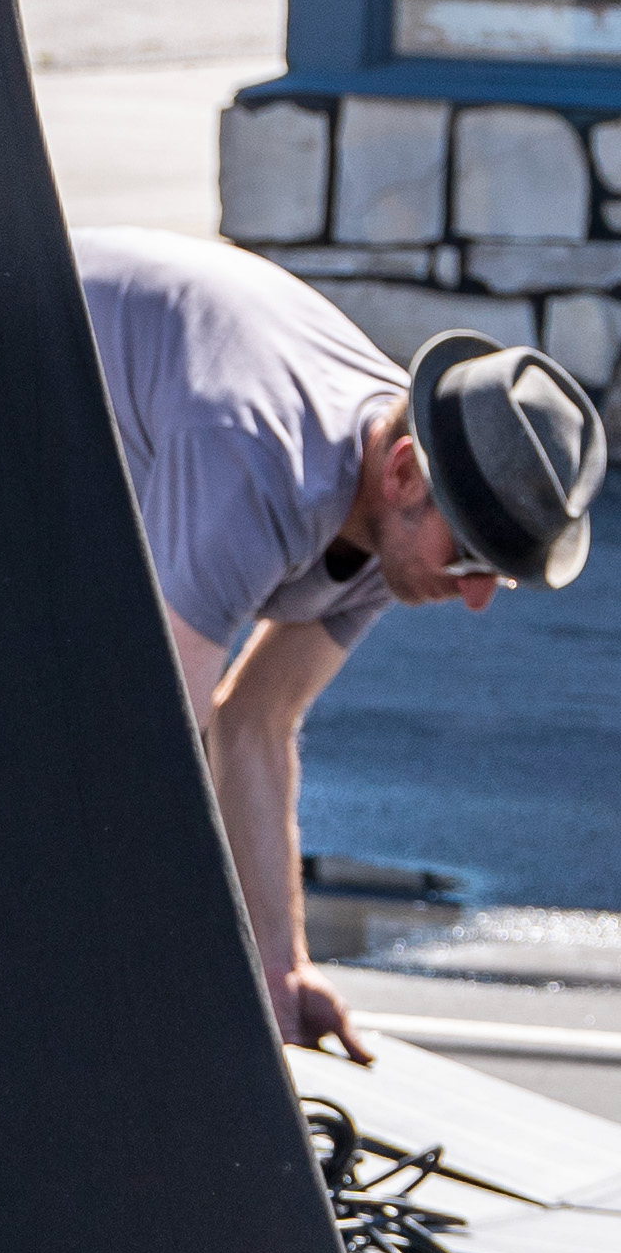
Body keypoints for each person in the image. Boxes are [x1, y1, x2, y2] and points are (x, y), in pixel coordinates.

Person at [75, 228, 607, 1058]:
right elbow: (142, 750)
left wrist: (281, 973)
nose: (471, 599)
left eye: (495, 576)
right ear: (401, 474)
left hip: (105, 437)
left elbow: (256, 722)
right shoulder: (260, 465)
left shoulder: (392, 521)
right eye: (469, 560)